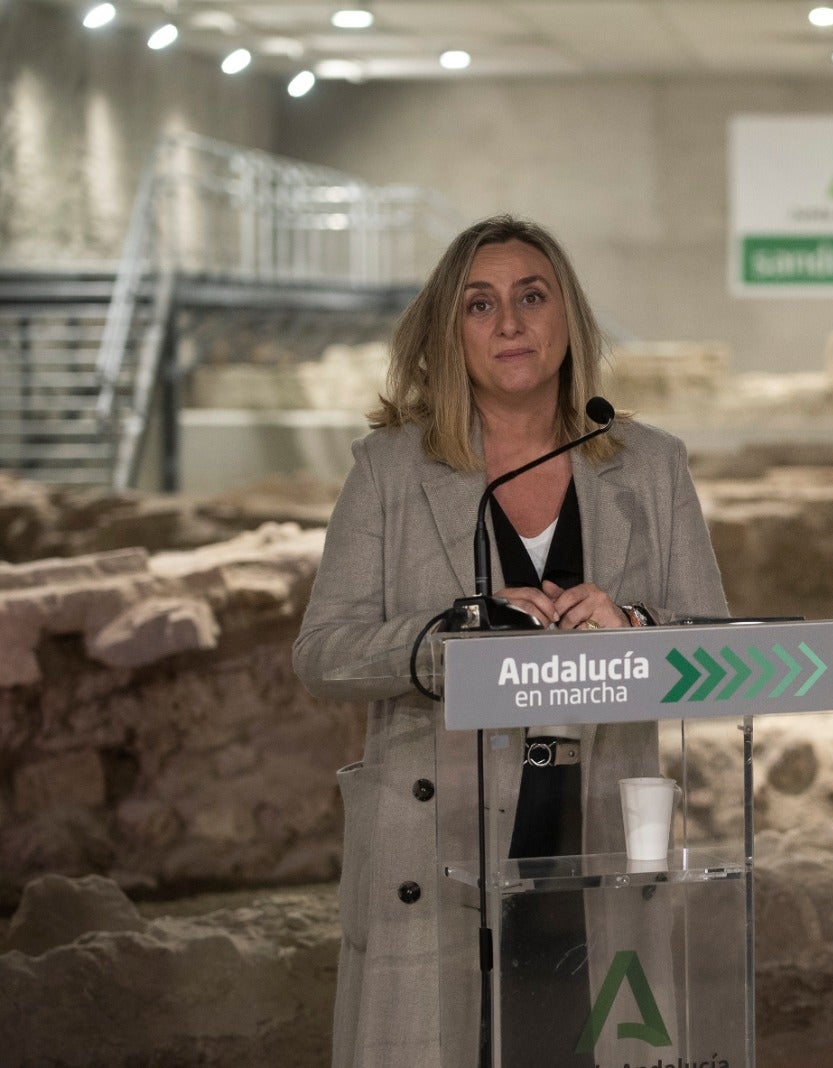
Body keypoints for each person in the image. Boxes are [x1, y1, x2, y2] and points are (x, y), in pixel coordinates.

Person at [293, 215, 728, 1068]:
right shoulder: (390, 471)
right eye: (479, 305)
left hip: (596, 824)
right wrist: (448, 639)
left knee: (576, 1043)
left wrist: (635, 629)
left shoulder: (651, 465)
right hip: (437, 834)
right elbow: (323, 651)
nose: (511, 324)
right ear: (447, 334)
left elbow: (714, 650)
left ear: (569, 317)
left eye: (533, 296)